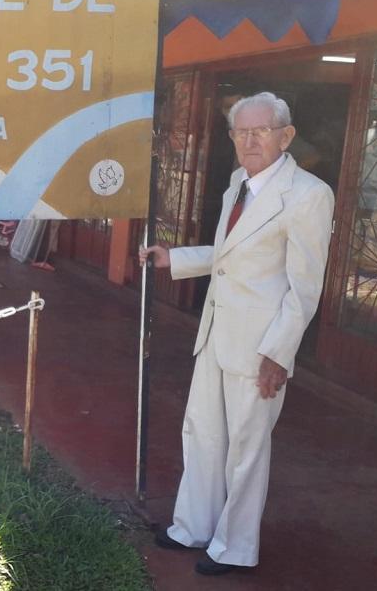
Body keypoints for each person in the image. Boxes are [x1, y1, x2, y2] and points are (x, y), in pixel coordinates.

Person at [139, 92, 335, 576]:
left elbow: (304, 287)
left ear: (285, 136)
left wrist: (278, 354)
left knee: (247, 450)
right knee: (202, 433)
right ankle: (194, 527)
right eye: (240, 132)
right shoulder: (237, 184)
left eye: (260, 130)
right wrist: (176, 259)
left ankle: (233, 546)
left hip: (260, 345)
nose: (249, 140)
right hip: (215, 332)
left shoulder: (309, 194)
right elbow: (231, 252)